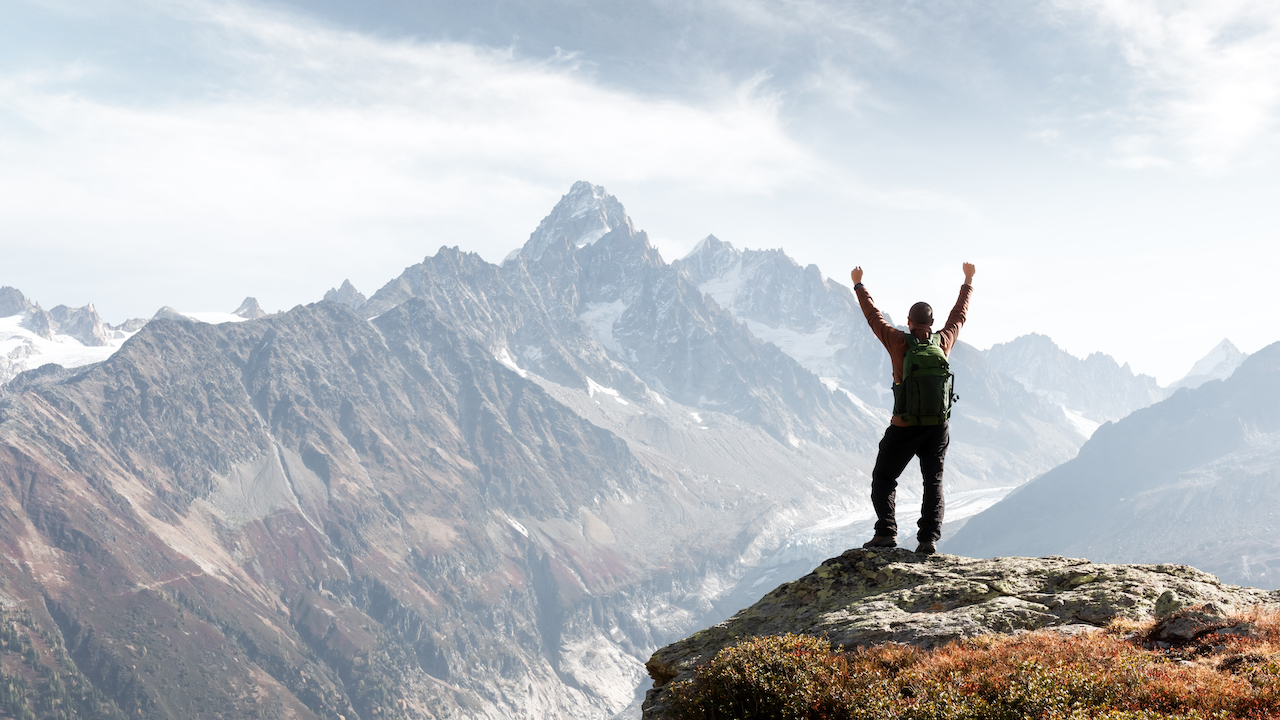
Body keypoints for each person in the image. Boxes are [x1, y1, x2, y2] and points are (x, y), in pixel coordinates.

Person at [850, 263, 975, 555]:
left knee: (884, 477)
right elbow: (960, 314)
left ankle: (886, 533)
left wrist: (859, 285)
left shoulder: (897, 340)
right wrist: (968, 280)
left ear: (908, 322)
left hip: (904, 425)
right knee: (933, 481)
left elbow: (873, 316)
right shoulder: (943, 341)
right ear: (931, 324)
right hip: (937, 426)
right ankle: (928, 539)